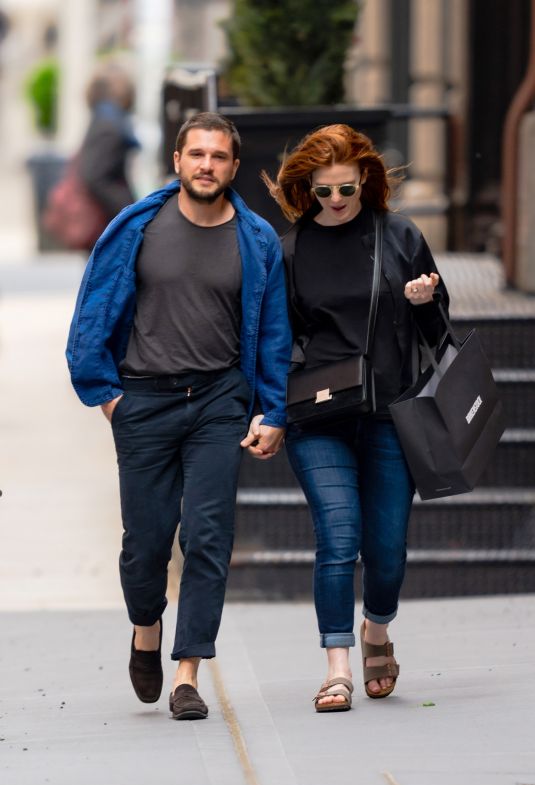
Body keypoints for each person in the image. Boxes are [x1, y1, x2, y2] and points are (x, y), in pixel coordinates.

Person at [66, 112, 292, 720]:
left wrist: (273, 408)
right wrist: (107, 394)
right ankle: (146, 630)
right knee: (145, 545)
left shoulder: (257, 239)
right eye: (197, 154)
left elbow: (273, 331)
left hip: (218, 401)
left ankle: (188, 672)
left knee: (208, 536)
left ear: (234, 167)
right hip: (143, 400)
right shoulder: (138, 226)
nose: (207, 165)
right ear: (177, 160)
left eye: (219, 157)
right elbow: (94, 307)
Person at [260, 124, 449, 712]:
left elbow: (440, 340)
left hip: (391, 412)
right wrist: (274, 408)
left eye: (346, 188)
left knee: (387, 549)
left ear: (365, 180)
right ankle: (337, 667)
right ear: (305, 191)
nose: (336, 201)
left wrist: (425, 303)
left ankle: (378, 631)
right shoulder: (289, 251)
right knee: (338, 538)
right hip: (319, 418)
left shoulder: (400, 237)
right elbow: (273, 339)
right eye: (323, 192)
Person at [78, 62, 139, 242]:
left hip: (105, 219)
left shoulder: (104, 118)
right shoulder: (110, 125)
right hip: (106, 221)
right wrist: (127, 208)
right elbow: (95, 176)